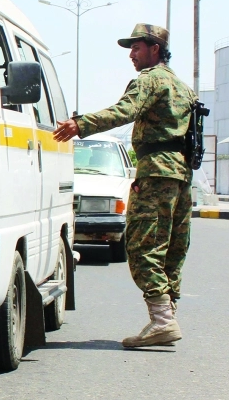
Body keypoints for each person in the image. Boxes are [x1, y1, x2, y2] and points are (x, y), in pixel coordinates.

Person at [53, 24, 195, 349]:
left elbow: (124, 111)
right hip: (181, 175)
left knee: (142, 246)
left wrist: (80, 124)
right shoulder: (183, 87)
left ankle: (163, 321)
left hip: (155, 173)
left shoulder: (150, 80)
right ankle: (167, 315)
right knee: (172, 248)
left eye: (136, 47)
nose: (131, 54)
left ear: (155, 49)